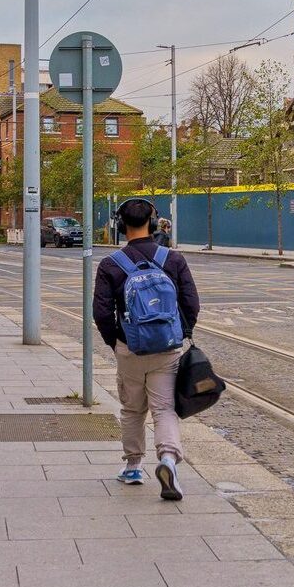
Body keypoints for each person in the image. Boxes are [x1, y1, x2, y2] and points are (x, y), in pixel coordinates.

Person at [93, 198, 200, 500]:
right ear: (153, 224)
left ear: (120, 225)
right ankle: (167, 459)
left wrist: (115, 341)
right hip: (167, 349)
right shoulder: (174, 259)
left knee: (132, 408)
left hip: (130, 349)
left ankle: (133, 467)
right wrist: (183, 332)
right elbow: (191, 303)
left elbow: (101, 312)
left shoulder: (111, 264)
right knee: (164, 408)